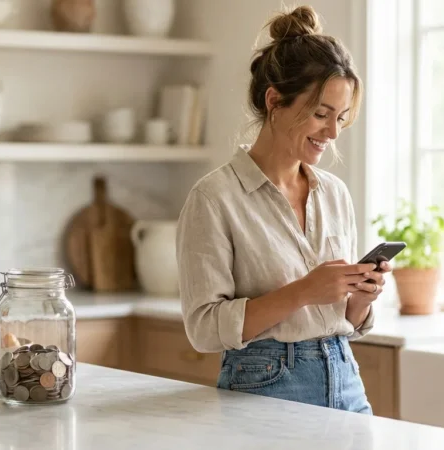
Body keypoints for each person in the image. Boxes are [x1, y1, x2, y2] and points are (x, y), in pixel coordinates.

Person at [175, 5, 391, 415]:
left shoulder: (335, 194)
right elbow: (204, 329)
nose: (332, 132)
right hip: (264, 384)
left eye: (341, 117)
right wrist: (304, 291)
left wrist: (363, 297)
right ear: (275, 101)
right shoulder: (215, 198)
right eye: (320, 114)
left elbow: (342, 316)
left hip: (345, 376)